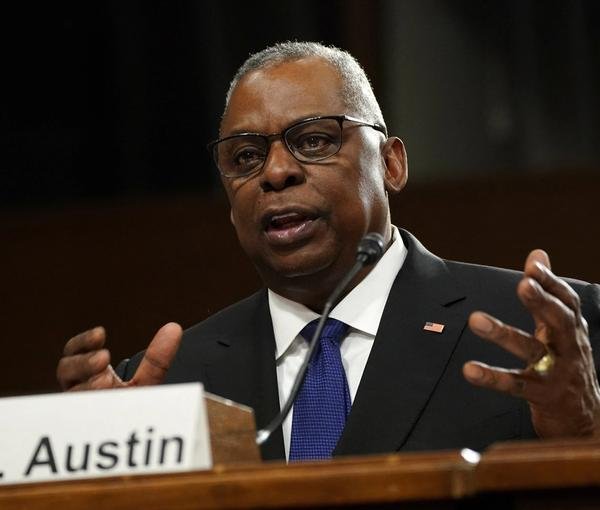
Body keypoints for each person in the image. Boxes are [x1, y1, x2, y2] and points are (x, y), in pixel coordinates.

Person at [56, 42, 600, 462]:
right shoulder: (165, 387)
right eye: (245, 157)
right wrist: (99, 467)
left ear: (391, 164)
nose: (275, 172)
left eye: (314, 140)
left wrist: (583, 431)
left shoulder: (549, 336)